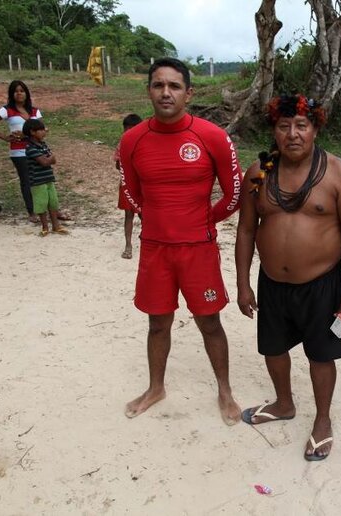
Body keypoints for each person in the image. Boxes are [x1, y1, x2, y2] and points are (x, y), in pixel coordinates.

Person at [235, 94, 341, 461]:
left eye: (301, 126)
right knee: (273, 349)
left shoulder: (340, 174)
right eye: (283, 126)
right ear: (274, 131)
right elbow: (246, 231)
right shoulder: (258, 174)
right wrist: (243, 283)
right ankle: (283, 402)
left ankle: (322, 420)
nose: (292, 134)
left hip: (323, 284)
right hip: (272, 283)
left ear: (315, 129)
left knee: (321, 355)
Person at [119, 57, 243, 425]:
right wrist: (159, 221)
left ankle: (224, 389)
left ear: (188, 93)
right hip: (155, 249)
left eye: (174, 86)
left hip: (198, 249)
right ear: (149, 92)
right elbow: (133, 193)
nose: (166, 92)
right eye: (158, 85)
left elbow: (234, 193)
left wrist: (205, 220)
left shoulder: (212, 136)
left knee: (209, 322)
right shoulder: (132, 140)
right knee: (158, 323)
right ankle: (156, 387)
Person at [0, 80, 70, 223]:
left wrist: (26, 134)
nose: (19, 93)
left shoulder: (35, 111)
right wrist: (5, 137)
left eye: (22, 91)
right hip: (19, 151)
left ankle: (53, 210)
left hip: (38, 149)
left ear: (26, 93)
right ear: (12, 94)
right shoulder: (7, 110)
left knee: (45, 179)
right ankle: (32, 211)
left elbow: (44, 129)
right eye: (16, 91)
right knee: (27, 181)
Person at [22, 118, 69, 237]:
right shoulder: (30, 148)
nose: (44, 132)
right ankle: (45, 226)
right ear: (33, 132)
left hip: (48, 179)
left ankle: (55, 225)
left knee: (53, 202)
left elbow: (50, 159)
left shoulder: (43, 144)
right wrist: (49, 160)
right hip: (38, 181)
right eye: (41, 130)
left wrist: (49, 160)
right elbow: (45, 161)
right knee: (41, 203)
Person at [115, 113, 142, 259]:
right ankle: (128, 245)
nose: (129, 133)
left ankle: (147, 241)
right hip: (127, 184)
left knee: (145, 215)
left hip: (143, 185)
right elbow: (118, 165)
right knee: (128, 215)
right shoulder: (122, 144)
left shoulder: (146, 142)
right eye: (127, 129)